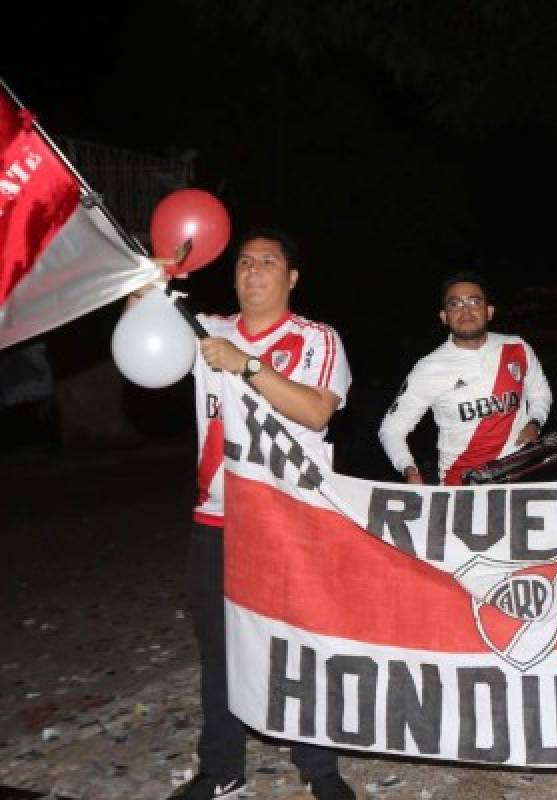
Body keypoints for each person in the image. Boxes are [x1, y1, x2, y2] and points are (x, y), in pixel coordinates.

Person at [128, 229, 355, 800]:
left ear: (292, 277)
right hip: (216, 520)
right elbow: (142, 336)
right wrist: (147, 286)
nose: (254, 272)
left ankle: (320, 768)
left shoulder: (316, 339)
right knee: (220, 651)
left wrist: (248, 367)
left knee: (300, 646)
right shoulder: (207, 329)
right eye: (245, 263)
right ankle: (221, 768)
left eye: (269, 262)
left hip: (288, 521)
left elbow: (315, 412)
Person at [378, 271, 552, 485]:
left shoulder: (517, 348)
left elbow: (540, 393)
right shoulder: (429, 368)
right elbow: (391, 429)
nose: (465, 310)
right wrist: (408, 468)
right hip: (461, 487)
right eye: (455, 304)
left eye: (474, 301)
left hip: (520, 475)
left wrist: (535, 421)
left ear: (489, 312)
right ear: (444, 317)